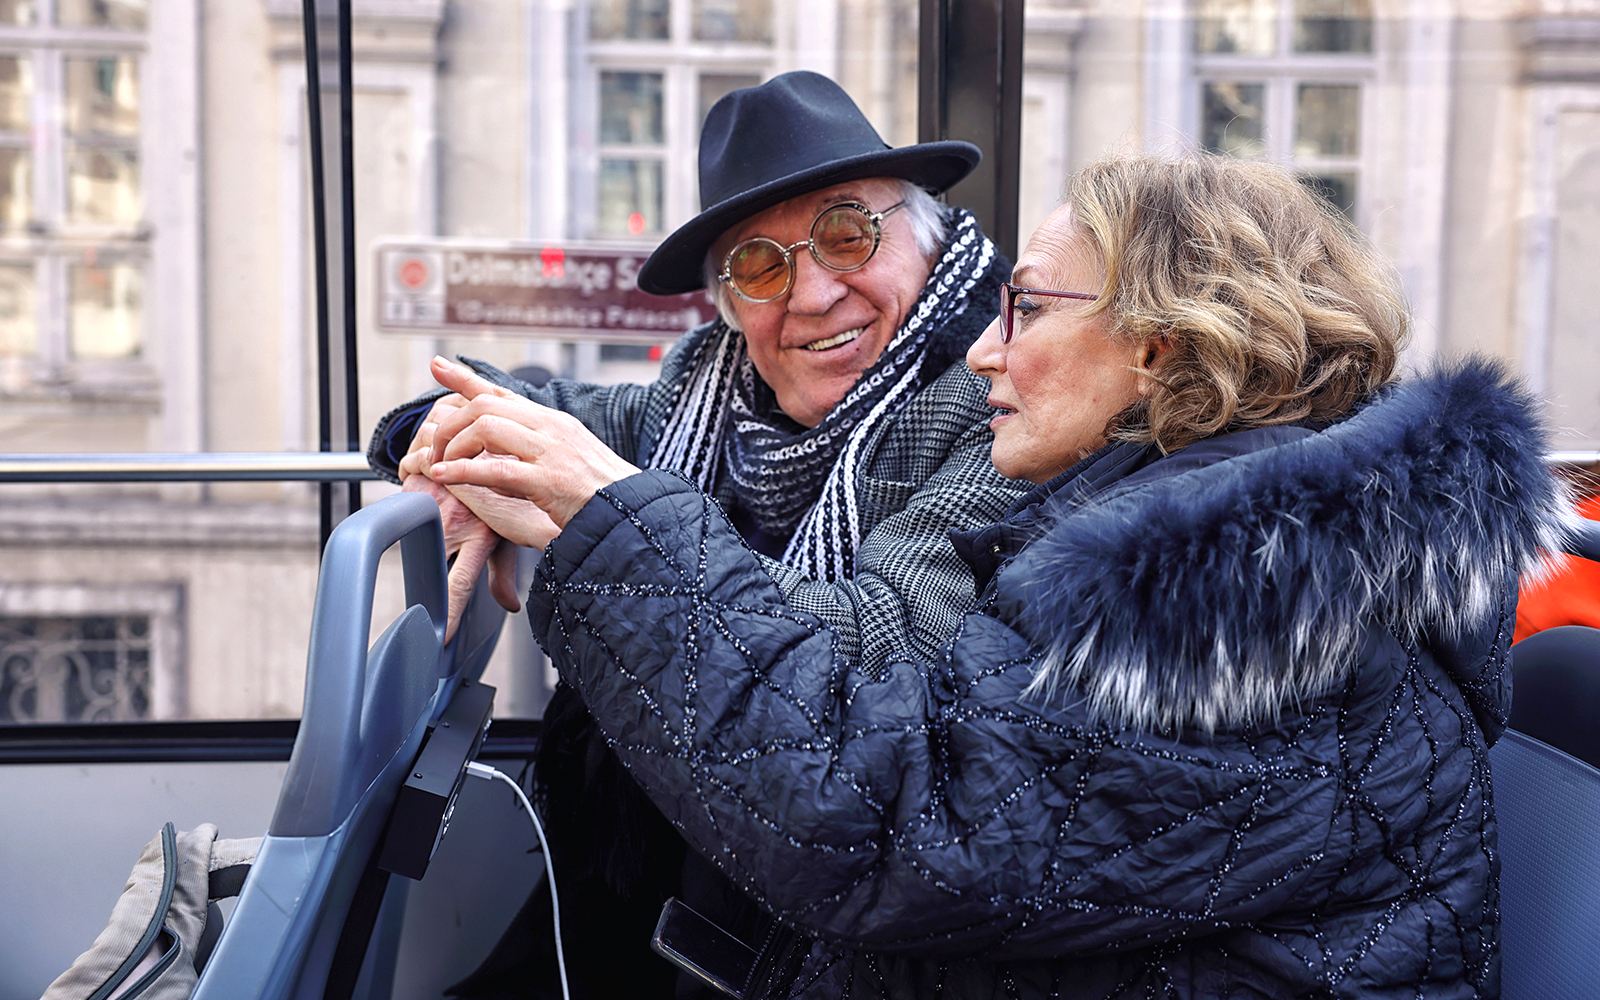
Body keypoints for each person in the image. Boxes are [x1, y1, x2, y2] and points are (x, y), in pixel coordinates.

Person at [421, 153, 1577, 998]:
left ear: (1161, 341)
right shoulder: (1168, 528)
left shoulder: (1233, 603)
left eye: (1021, 307)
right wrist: (471, 446)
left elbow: (875, 823)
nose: (982, 345)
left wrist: (614, 527)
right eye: (762, 269)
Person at [369, 72, 1026, 997]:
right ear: (726, 301)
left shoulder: (998, 404)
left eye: (847, 234)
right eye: (760, 266)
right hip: (653, 870)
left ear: (924, 240)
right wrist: (439, 434)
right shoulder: (714, 395)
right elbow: (538, 409)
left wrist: (611, 523)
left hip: (822, 916)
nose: (811, 293)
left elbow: (881, 639)